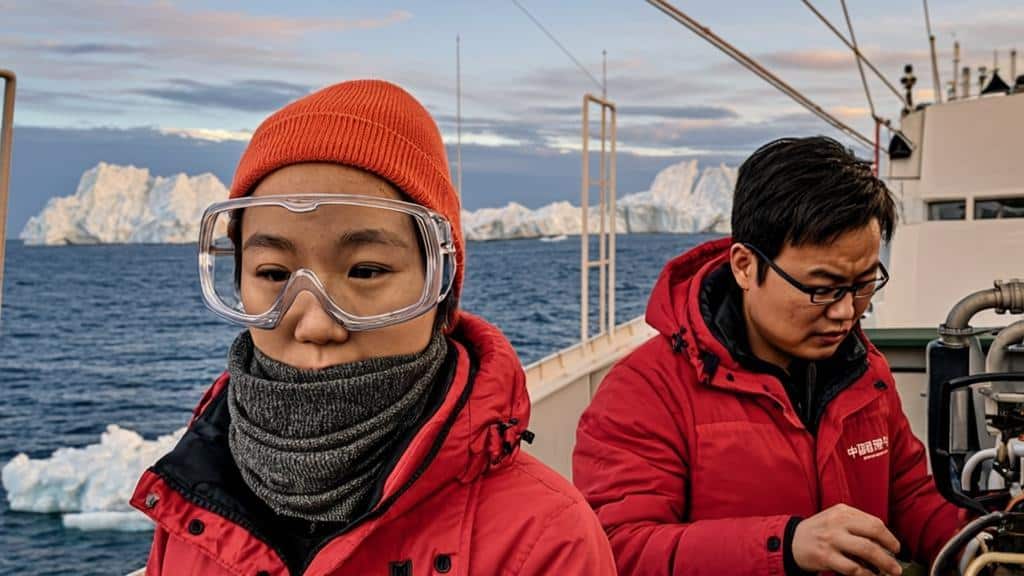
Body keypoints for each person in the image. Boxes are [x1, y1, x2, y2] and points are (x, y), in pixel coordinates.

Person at [131, 79, 616, 576]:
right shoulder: (189, 500)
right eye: (274, 274)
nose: (315, 324)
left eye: (365, 271)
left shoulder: (544, 540)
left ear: (439, 288)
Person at [573, 136, 962, 576]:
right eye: (822, 288)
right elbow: (617, 550)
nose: (846, 311)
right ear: (744, 266)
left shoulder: (864, 370)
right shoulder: (645, 390)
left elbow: (908, 496)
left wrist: (978, 538)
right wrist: (786, 546)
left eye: (863, 284)